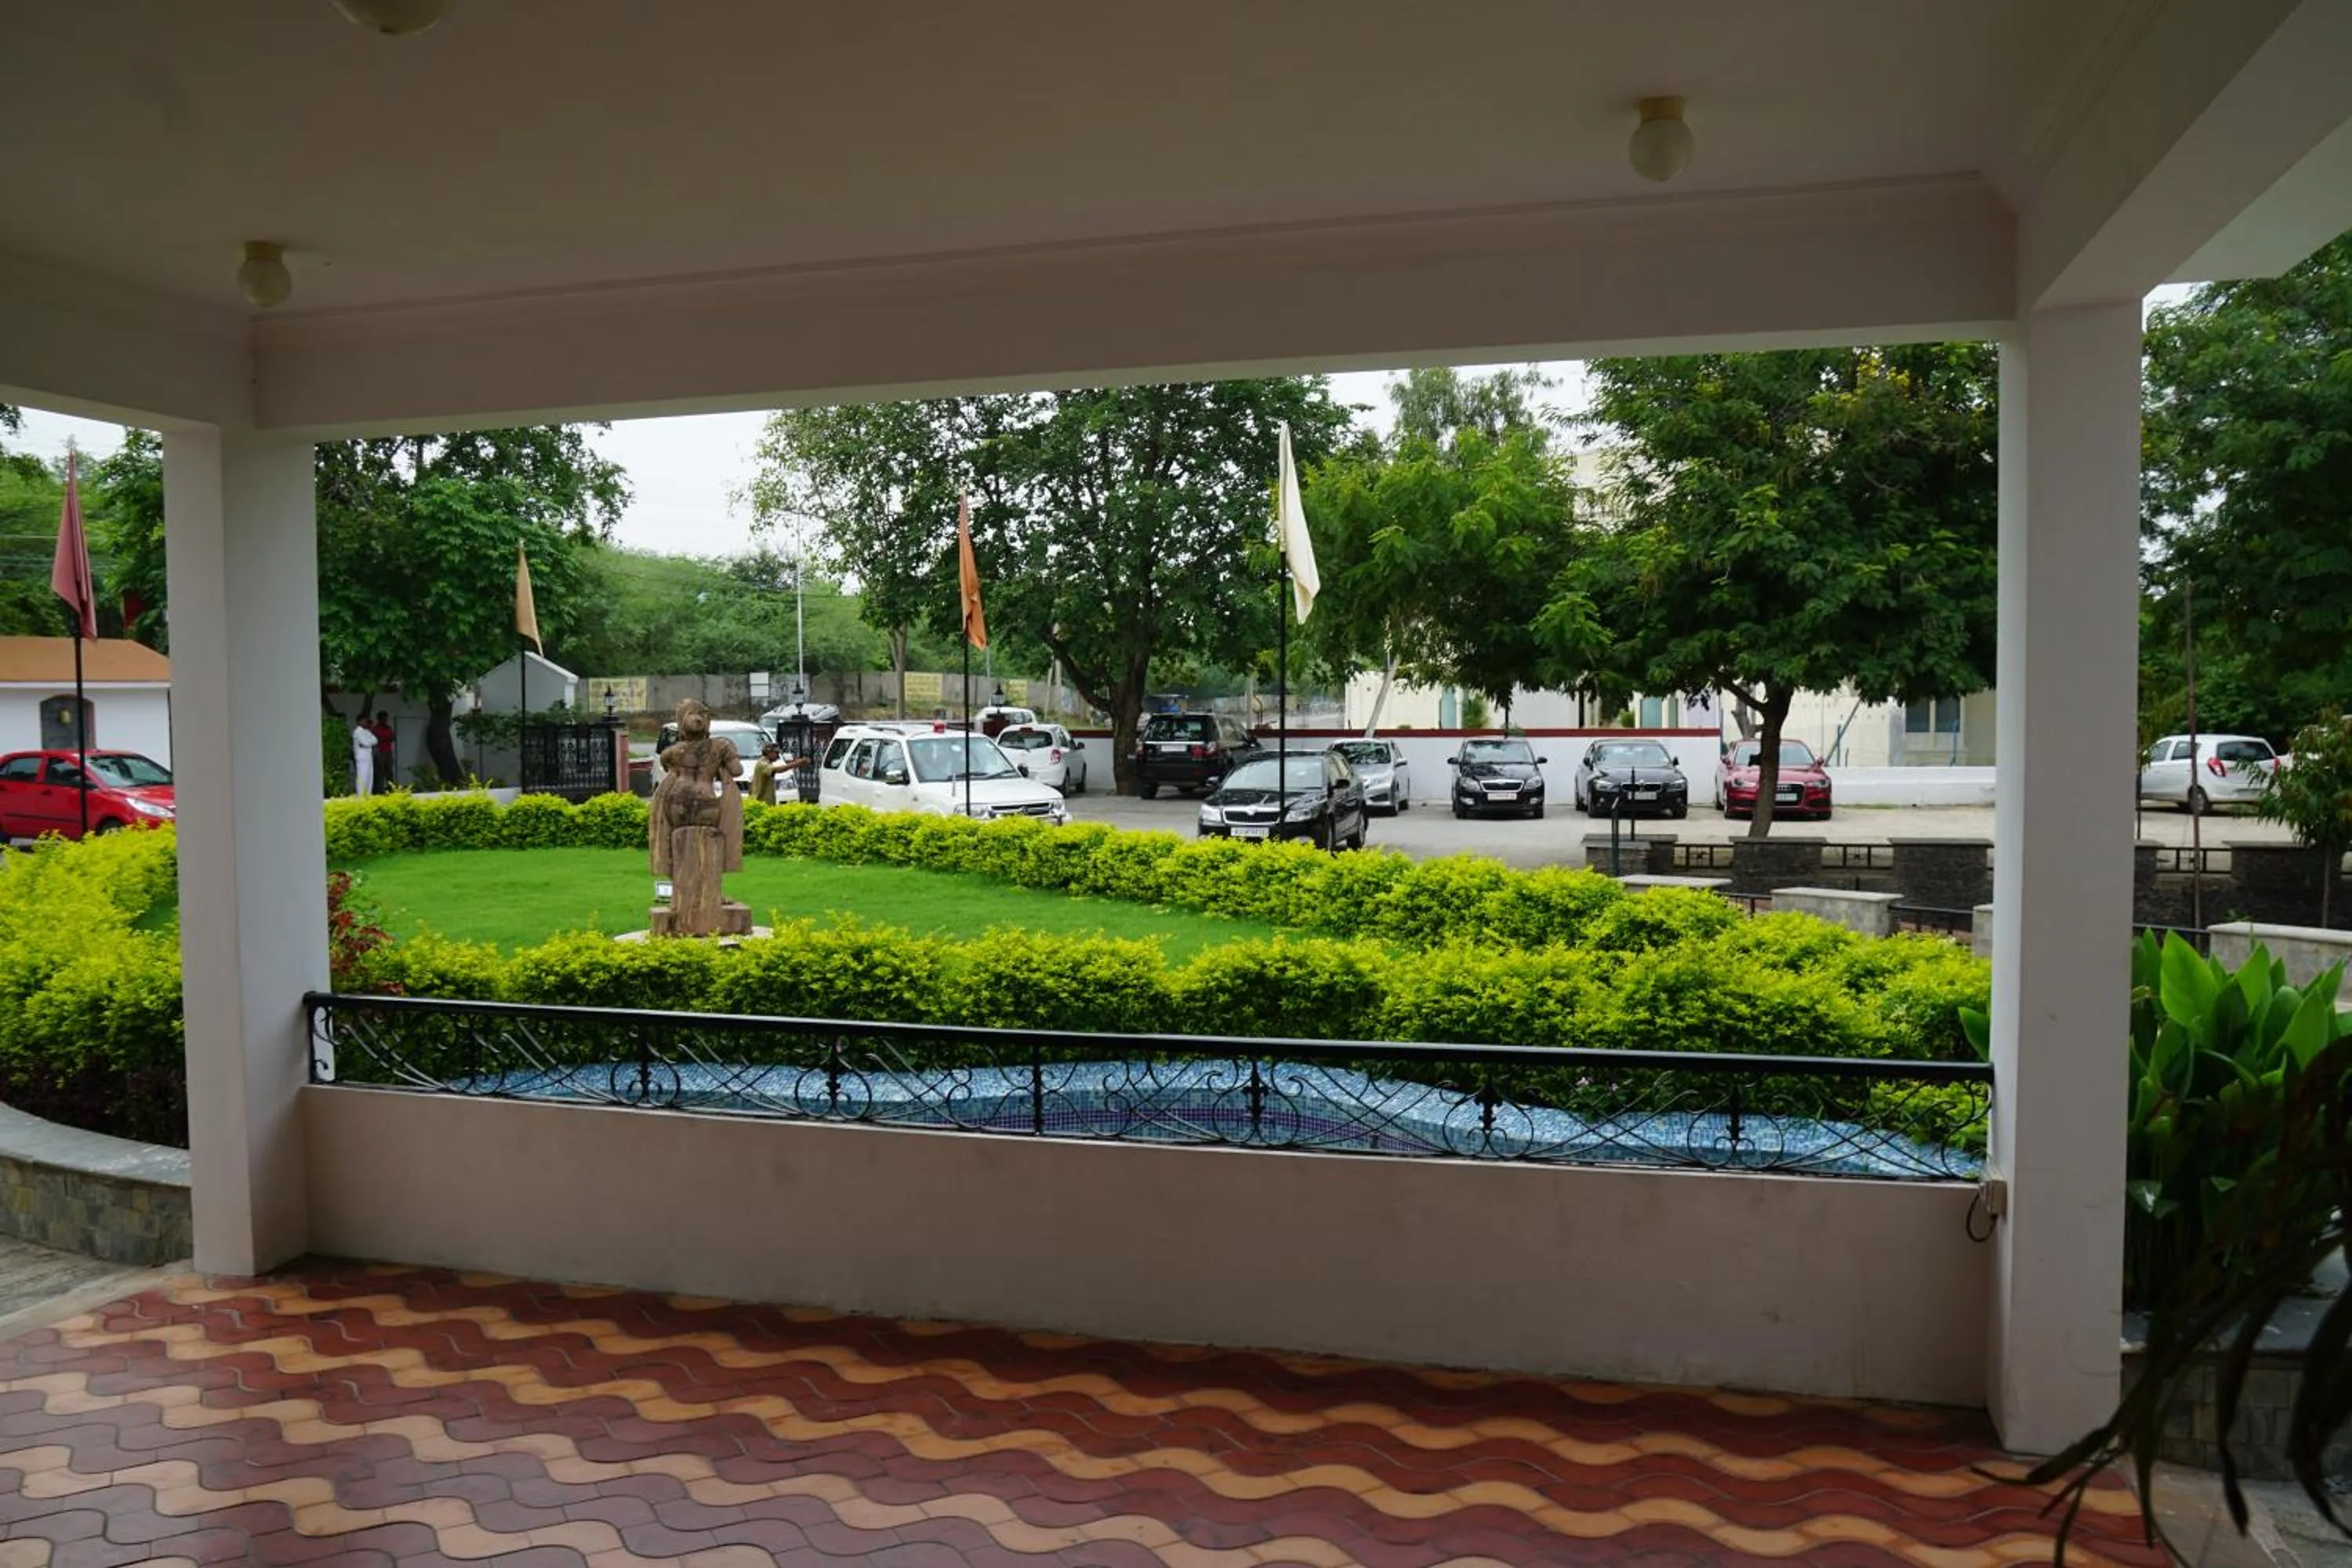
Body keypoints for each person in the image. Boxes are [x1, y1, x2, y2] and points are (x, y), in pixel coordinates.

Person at [749, 742, 783, 807]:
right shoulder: (762, 764)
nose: (778, 756)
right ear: (769, 753)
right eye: (776, 753)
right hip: (762, 804)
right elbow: (778, 770)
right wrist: (797, 764)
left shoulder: (767, 762)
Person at [350, 718, 378, 797]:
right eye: (363, 721)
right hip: (361, 756)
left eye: (366, 721)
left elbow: (375, 740)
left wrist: (368, 743)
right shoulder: (357, 732)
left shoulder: (367, 731)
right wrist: (369, 742)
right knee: (362, 776)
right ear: (359, 722)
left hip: (368, 756)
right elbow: (365, 743)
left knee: (370, 775)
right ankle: (361, 795)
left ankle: (368, 793)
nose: (365, 722)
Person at [370, 712, 397, 782]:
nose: (385, 720)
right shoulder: (376, 728)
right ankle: (380, 788)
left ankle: (391, 787)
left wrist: (386, 738)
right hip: (380, 752)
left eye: (386, 718)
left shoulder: (388, 728)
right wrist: (385, 738)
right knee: (380, 771)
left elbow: (393, 738)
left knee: (389, 770)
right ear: (380, 719)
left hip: (388, 751)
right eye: (384, 718)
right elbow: (376, 740)